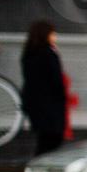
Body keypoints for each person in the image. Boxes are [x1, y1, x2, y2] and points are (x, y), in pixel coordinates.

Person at [20, 20, 67, 155]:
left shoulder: (29, 54)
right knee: (52, 142)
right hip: (50, 107)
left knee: (44, 140)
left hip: (35, 105)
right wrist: (62, 99)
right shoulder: (49, 54)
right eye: (52, 34)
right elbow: (56, 81)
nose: (55, 37)